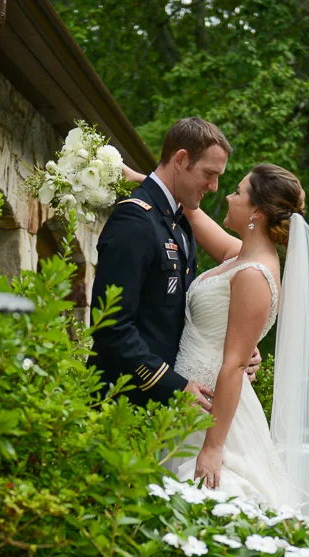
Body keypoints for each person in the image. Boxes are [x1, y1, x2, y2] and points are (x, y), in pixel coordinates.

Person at [125, 162, 309, 514]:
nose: (227, 196)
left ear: (256, 211)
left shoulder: (254, 274)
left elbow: (233, 365)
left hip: (212, 410)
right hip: (188, 397)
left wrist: (214, 446)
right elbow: (193, 216)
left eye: (238, 191)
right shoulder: (240, 256)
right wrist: (143, 181)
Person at [88, 118, 261, 412]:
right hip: (123, 405)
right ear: (181, 159)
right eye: (209, 173)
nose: (215, 186)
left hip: (160, 408)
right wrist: (172, 385)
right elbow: (110, 327)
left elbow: (175, 316)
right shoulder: (135, 221)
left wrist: (232, 347)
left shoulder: (177, 222)